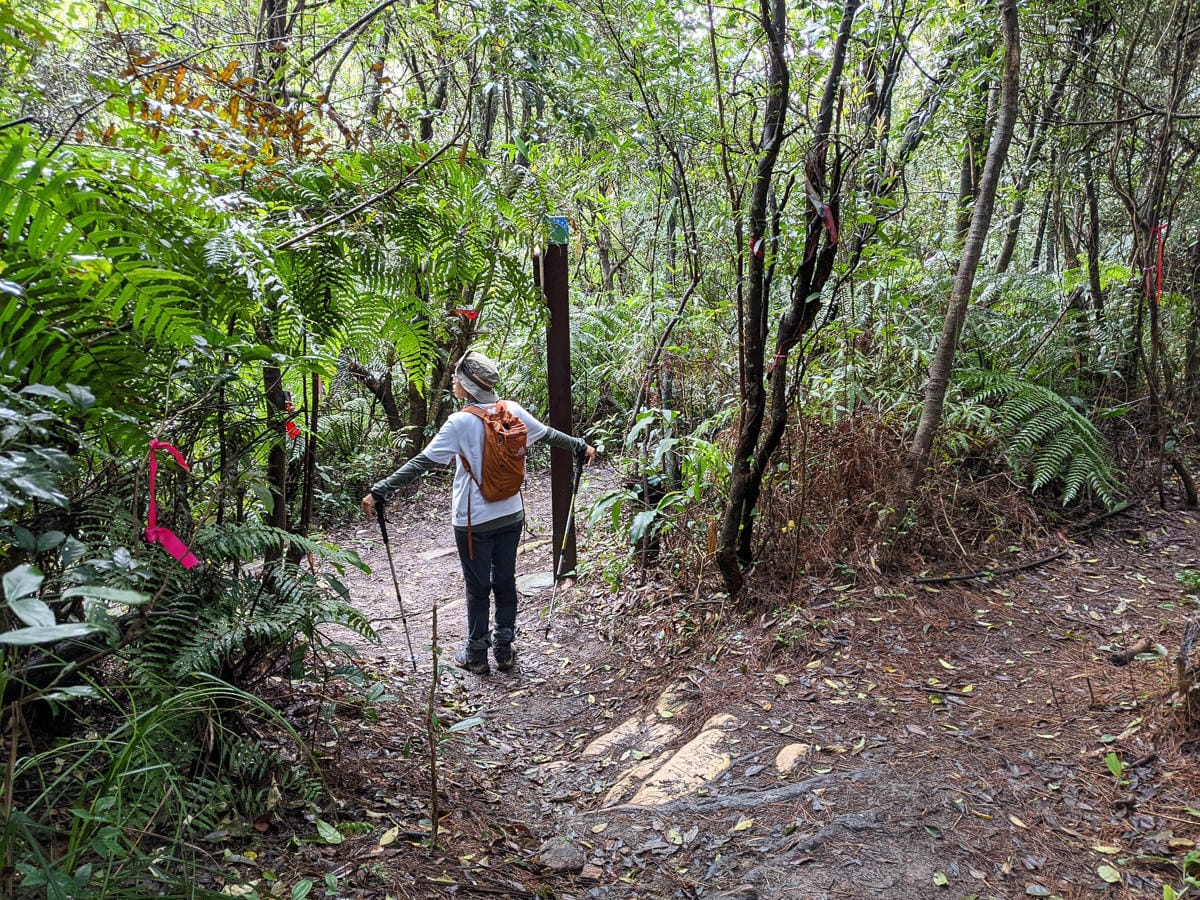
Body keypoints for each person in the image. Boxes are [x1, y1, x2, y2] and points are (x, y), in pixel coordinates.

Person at [361, 351, 596, 675]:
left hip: (473, 522)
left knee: (477, 587)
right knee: (504, 580)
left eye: (457, 378)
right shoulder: (512, 411)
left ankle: (475, 654)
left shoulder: (460, 422)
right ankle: (504, 648)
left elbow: (422, 463)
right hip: (511, 514)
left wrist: (380, 490)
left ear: (469, 385)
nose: (454, 382)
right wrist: (581, 446)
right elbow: (551, 435)